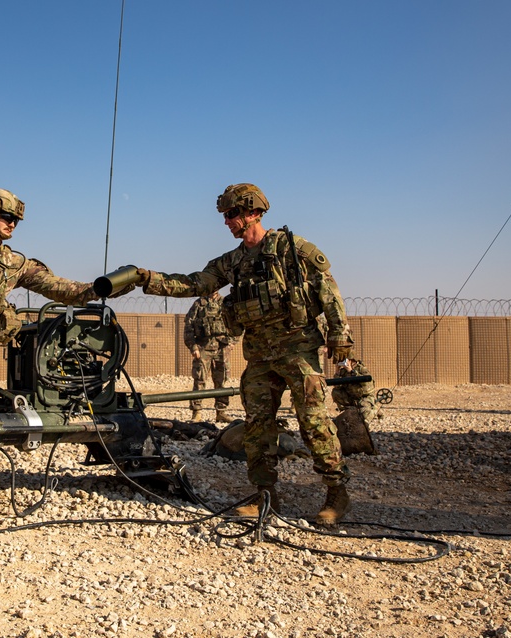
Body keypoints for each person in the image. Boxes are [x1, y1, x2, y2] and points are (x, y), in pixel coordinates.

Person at [133, 183, 354, 525]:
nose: (227, 222)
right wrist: (147, 279)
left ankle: (337, 494)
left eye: (232, 214)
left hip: (298, 351)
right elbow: (195, 283)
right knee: (257, 427)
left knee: (314, 422)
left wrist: (340, 334)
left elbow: (328, 288)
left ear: (254, 212)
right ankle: (265, 495)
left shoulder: (290, 249)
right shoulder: (233, 262)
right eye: (225, 216)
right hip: (261, 357)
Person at [0, 187, 97, 519]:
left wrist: (92, 290)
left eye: (16, 220)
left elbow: (53, 285)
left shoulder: (12, 263)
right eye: (7, 217)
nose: (12, 224)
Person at [183, 292, 235, 424]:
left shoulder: (225, 303)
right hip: (203, 347)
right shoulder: (199, 304)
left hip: (221, 348)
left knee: (222, 381)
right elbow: (188, 327)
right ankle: (197, 412)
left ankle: (221, 412)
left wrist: (232, 342)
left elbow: (237, 323)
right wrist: (193, 346)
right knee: (200, 379)